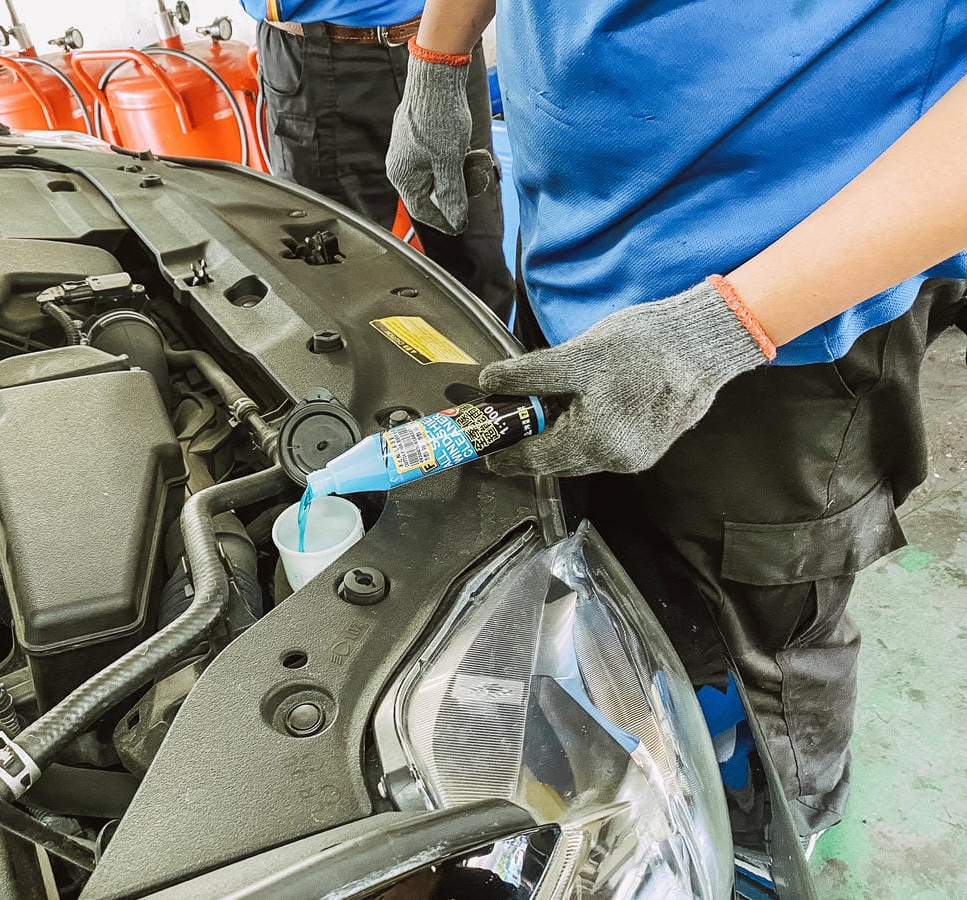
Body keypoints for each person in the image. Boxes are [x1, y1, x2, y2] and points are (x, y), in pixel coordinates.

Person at [386, 0, 967, 854]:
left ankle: (774, 839)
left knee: (763, 640)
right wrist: (438, 57)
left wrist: (722, 328)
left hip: (785, 331)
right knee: (600, 575)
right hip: (567, 255)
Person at [238, 0, 515, 320]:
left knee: (478, 269)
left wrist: (439, 63)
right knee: (336, 283)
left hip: (450, 33)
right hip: (315, 54)